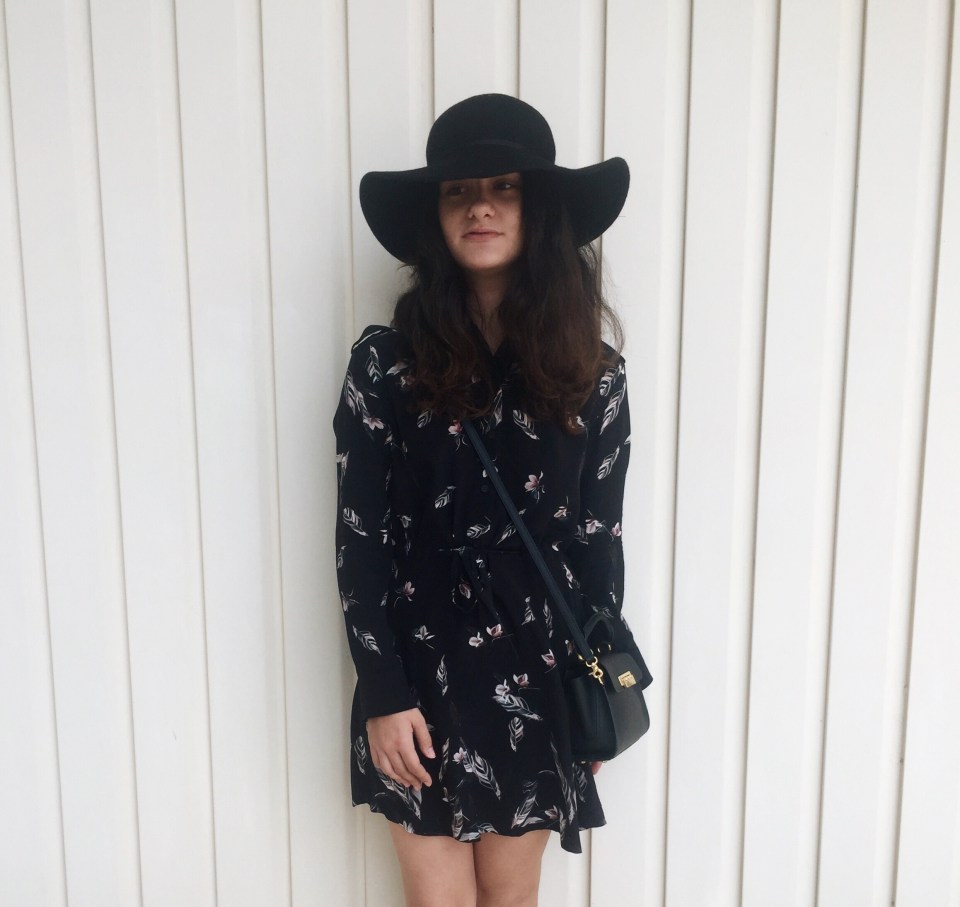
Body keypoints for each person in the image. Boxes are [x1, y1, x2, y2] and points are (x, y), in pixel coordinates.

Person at [333, 93, 649, 907]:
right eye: (458, 191)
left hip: (538, 668)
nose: (479, 206)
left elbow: (597, 544)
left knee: (511, 899)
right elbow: (361, 542)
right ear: (435, 216)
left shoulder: (594, 375)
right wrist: (383, 690)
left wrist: (593, 679)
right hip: (418, 669)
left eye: (504, 186)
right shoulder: (385, 366)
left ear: (539, 209)